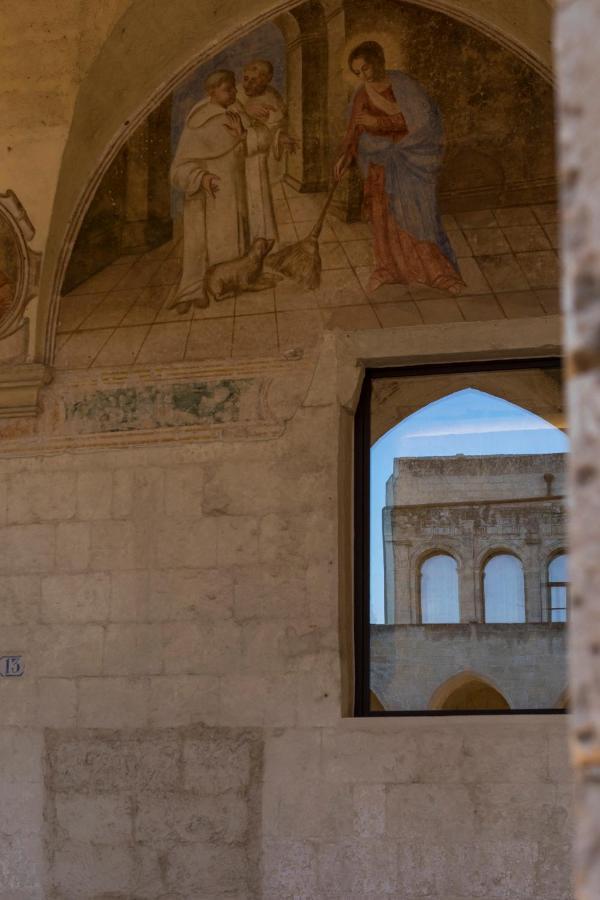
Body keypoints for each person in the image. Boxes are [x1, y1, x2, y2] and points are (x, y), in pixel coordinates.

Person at [333, 41, 464, 296]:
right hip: (378, 167)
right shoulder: (361, 94)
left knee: (418, 218)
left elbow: (423, 121)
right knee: (383, 220)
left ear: (379, 60)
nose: (363, 76)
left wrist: (379, 122)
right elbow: (354, 132)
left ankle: (439, 274)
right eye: (357, 72)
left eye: (366, 68)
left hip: (410, 163)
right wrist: (344, 158)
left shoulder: (404, 85)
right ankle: (389, 270)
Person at [170, 69, 272, 311]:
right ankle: (193, 291)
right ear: (211, 93)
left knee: (234, 237)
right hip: (206, 196)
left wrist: (245, 135)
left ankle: (230, 282)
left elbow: (253, 141)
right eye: (229, 90)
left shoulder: (236, 110)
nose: (235, 92)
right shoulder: (198, 122)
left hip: (234, 192)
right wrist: (201, 177)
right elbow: (178, 170)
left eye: (234, 88)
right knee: (200, 244)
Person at [236, 59, 297, 243]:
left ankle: (261, 243)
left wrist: (281, 137)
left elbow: (276, 126)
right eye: (246, 79)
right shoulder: (235, 94)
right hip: (235, 161)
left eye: (254, 81)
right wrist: (245, 111)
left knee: (259, 206)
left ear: (267, 80)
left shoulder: (274, 97)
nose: (247, 84)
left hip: (257, 163)